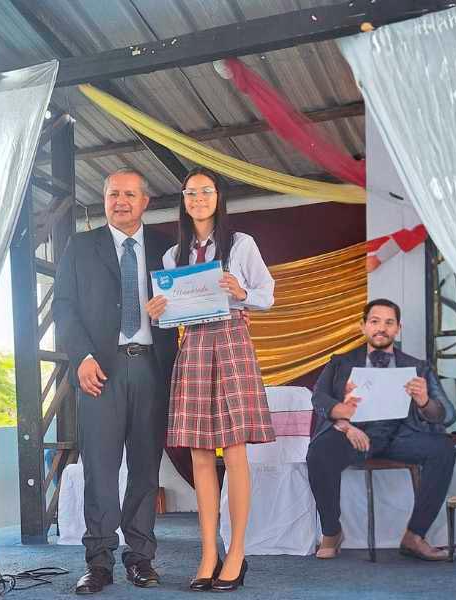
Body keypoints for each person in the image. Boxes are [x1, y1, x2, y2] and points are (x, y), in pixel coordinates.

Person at [146, 167, 275, 592]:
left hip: (234, 340)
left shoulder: (241, 244)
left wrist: (241, 292)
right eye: (190, 192)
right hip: (195, 346)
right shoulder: (172, 257)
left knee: (235, 451)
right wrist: (159, 313)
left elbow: (267, 296)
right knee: (201, 453)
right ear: (183, 200)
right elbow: (172, 318)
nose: (198, 198)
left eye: (206, 191)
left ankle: (236, 552)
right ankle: (207, 553)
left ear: (219, 197)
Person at [53, 168, 178, 595]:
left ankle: (140, 559)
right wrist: (81, 358)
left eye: (129, 194)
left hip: (152, 369)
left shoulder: (167, 249)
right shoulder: (80, 246)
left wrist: (174, 310)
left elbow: (189, 306)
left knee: (145, 469)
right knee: (100, 472)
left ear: (145, 201)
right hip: (99, 371)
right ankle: (99, 562)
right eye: (112, 194)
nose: (120, 201)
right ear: (104, 200)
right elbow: (64, 308)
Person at [306, 298, 456, 561]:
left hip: (402, 435)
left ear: (398, 328)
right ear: (363, 325)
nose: (381, 328)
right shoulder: (340, 362)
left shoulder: (418, 366)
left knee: (444, 449)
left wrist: (424, 402)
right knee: (319, 451)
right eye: (375, 321)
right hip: (355, 434)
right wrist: (343, 419)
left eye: (389, 323)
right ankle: (332, 531)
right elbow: (319, 398)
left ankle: (415, 535)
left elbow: (448, 414)